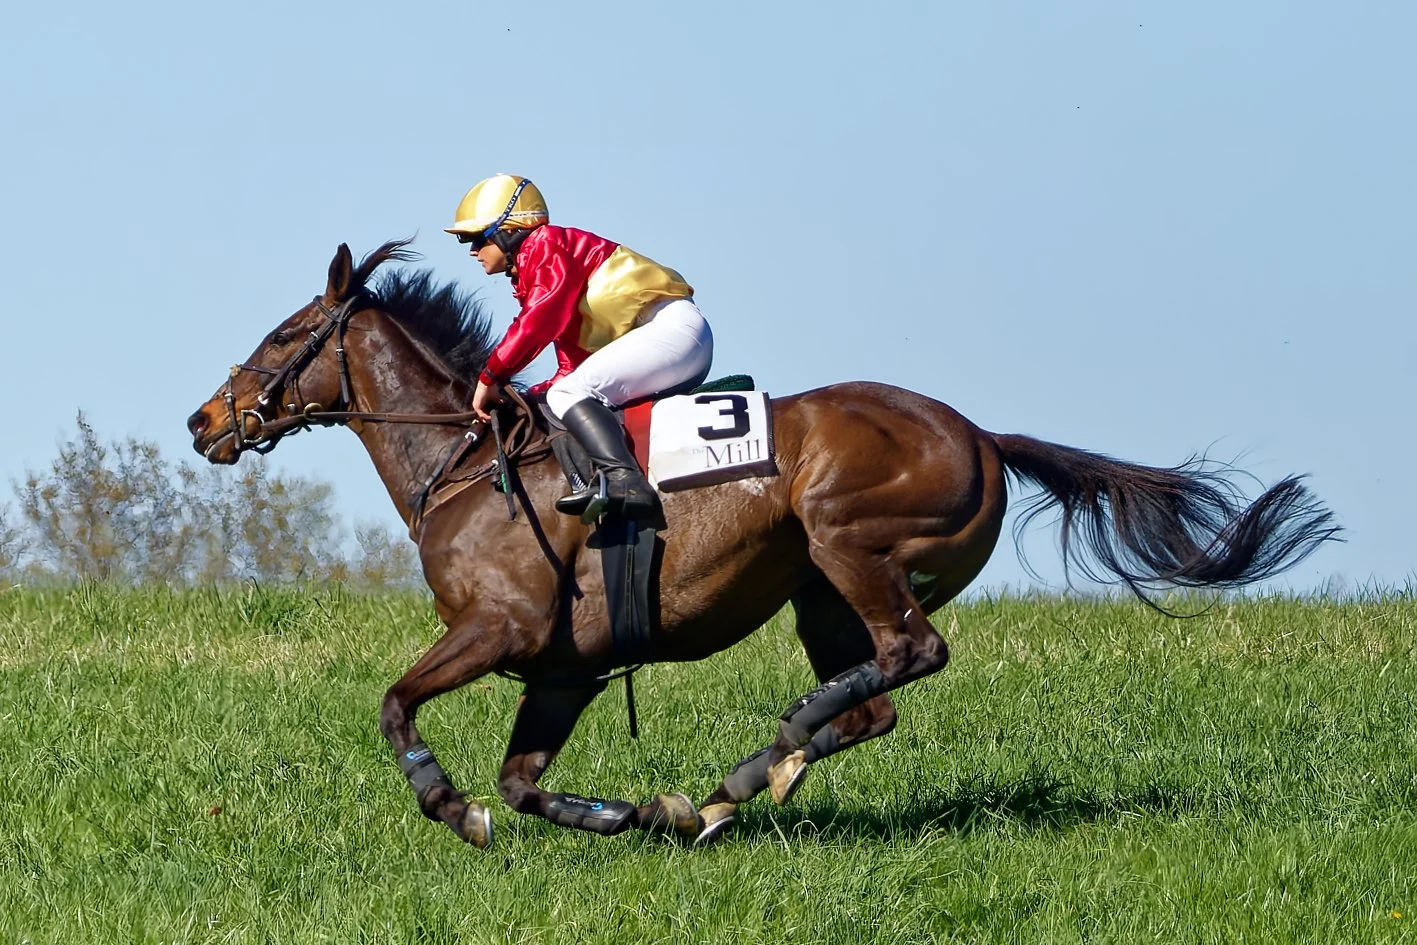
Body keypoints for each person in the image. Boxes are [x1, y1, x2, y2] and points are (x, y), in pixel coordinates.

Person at [446, 174, 714, 521]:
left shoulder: (545, 244)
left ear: (508, 229)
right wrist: (531, 398)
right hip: (667, 337)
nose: (471, 251)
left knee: (567, 395)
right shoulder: (538, 263)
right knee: (562, 394)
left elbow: (539, 319)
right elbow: (572, 365)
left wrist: (491, 375)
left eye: (477, 238)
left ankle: (624, 482)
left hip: (672, 330)